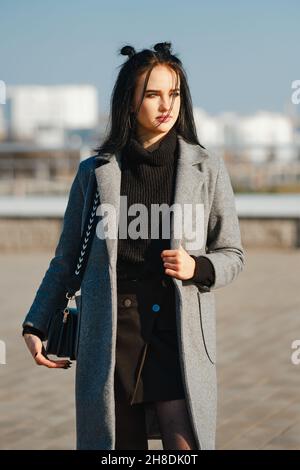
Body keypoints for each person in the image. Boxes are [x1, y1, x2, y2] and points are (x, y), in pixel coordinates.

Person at [22, 42, 245, 450]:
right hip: (111, 330)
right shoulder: (96, 172)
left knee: (185, 445)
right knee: (119, 448)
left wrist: (199, 268)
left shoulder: (207, 168)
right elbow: (67, 257)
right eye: (153, 94)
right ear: (129, 101)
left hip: (175, 330)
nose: (167, 105)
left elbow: (232, 253)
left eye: (174, 93)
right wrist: (37, 321)